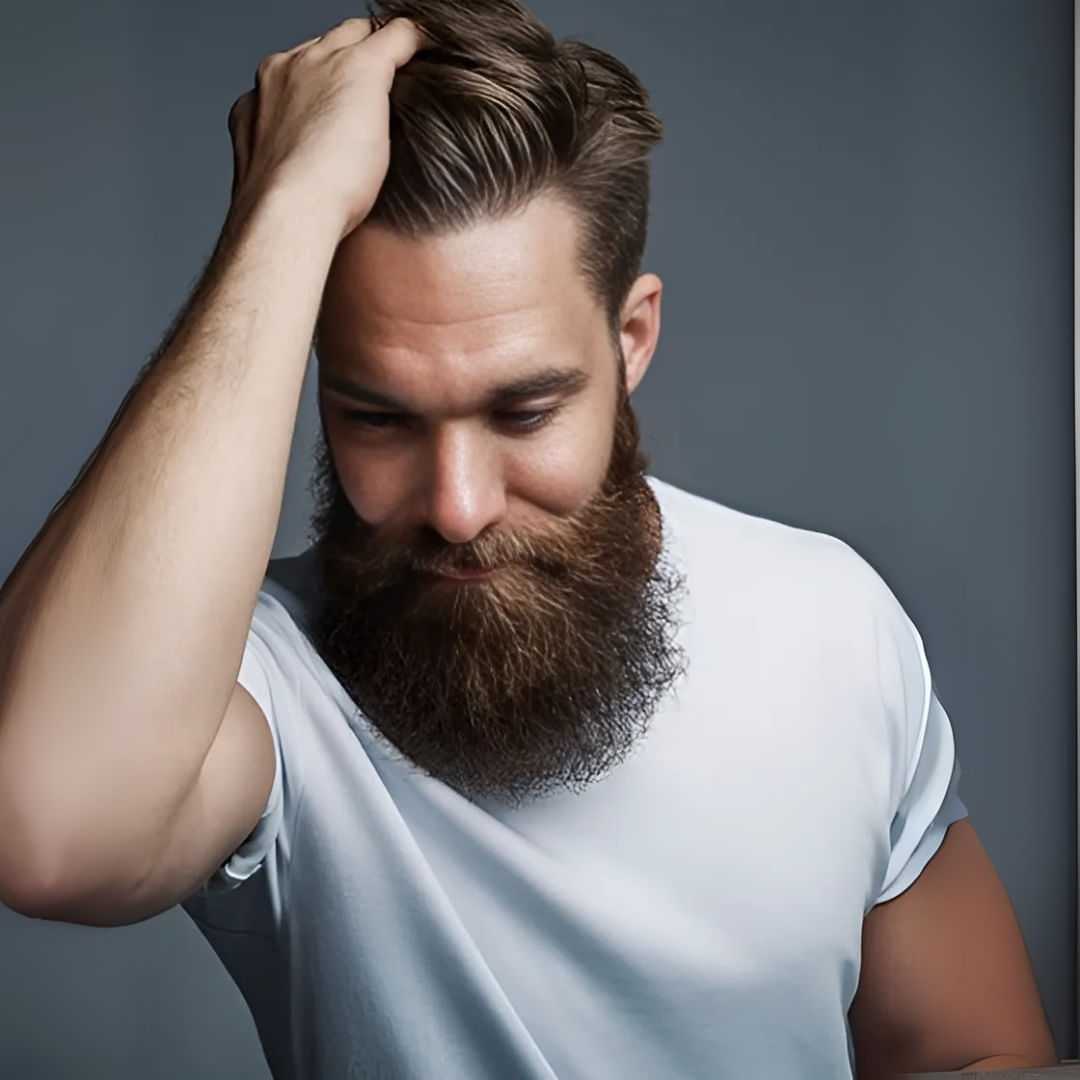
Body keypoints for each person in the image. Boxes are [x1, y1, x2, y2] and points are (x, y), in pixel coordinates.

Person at [0, 1, 1057, 1077]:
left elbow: (976, 1054)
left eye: (524, 412)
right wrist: (282, 216)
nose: (456, 506)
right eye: (378, 416)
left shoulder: (833, 621)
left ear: (631, 339)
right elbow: (52, 833)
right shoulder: (262, 684)